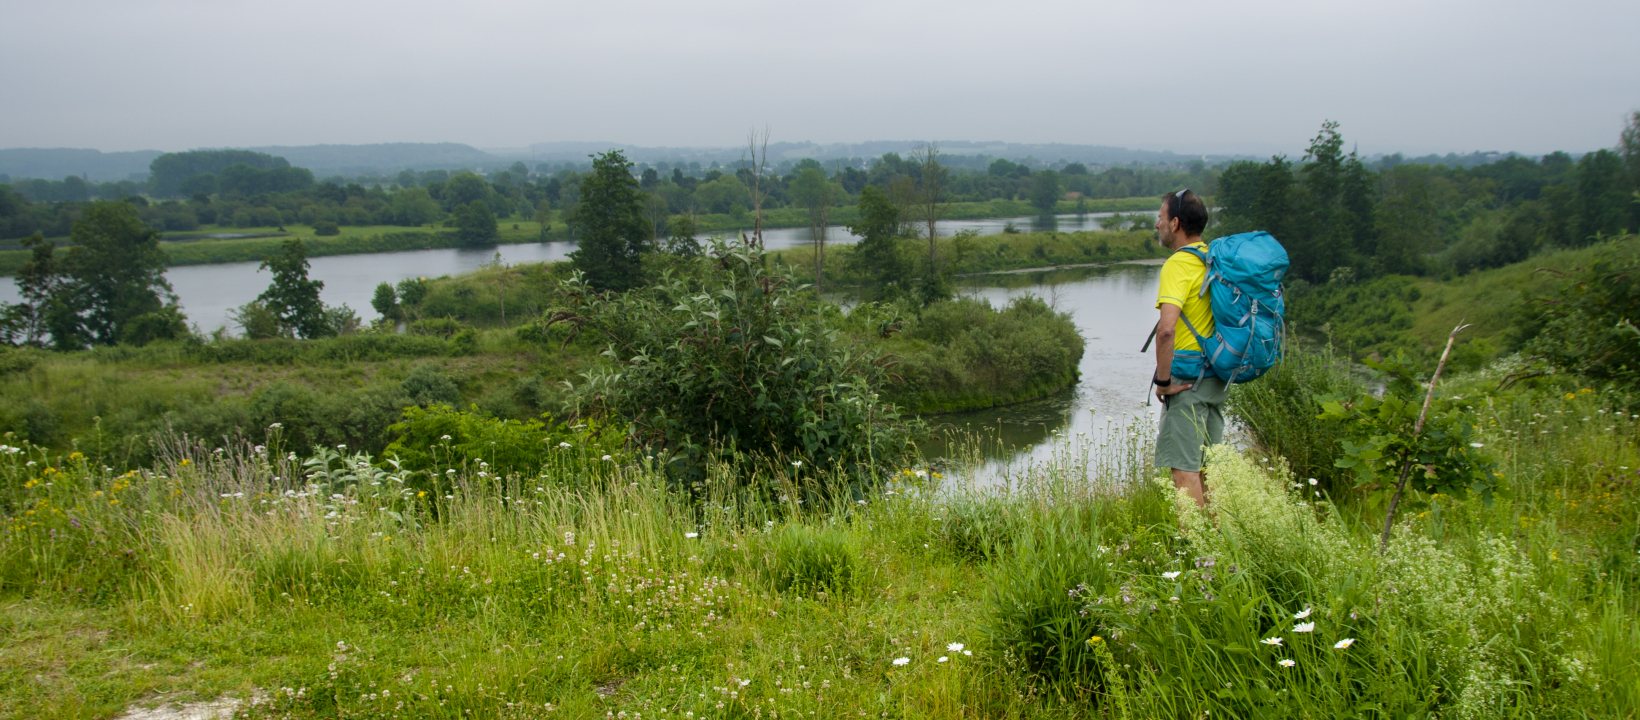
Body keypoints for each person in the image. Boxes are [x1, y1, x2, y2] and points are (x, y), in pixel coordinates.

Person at [1150, 189, 1224, 507]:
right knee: (1209, 469)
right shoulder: (1212, 258)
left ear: (1176, 223)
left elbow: (1167, 331)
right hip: (1216, 377)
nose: (1157, 224)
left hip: (1187, 381)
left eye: (1160, 217)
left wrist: (1164, 383)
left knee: (1184, 471)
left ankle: (1197, 553)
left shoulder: (1178, 265)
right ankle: (1222, 546)